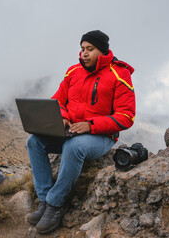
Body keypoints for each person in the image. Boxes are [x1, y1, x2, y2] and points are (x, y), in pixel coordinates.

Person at [26, 30, 136, 234]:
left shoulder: (120, 74)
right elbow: (58, 100)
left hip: (101, 136)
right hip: (71, 130)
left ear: (102, 51)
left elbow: (126, 116)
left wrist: (90, 125)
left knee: (73, 146)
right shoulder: (73, 71)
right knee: (34, 141)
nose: (84, 53)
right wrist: (63, 116)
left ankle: (56, 204)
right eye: (82, 48)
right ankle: (44, 200)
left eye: (90, 49)